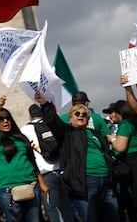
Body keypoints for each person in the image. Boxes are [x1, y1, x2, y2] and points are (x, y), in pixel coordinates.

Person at [35, 91, 119, 222]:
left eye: (84, 114)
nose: (81, 115)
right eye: (77, 113)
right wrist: (45, 104)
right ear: (70, 118)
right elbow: (53, 121)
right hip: (85, 183)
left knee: (113, 218)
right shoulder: (67, 133)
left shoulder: (95, 134)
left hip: (105, 182)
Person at [0, 95, 49, 222]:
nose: (5, 121)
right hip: (6, 190)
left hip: (31, 186)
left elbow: (32, 161)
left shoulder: (21, 137)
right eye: (1, 119)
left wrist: (42, 183)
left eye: (8, 118)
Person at [21, 104, 73, 222]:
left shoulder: (24, 130)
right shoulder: (51, 124)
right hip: (62, 170)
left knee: (53, 208)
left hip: (45, 175)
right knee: (66, 207)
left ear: (30, 116)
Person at [104, 98, 137, 220]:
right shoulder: (129, 123)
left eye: (113, 112)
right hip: (133, 163)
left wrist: (112, 138)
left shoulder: (125, 124)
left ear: (119, 112)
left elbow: (120, 147)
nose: (110, 115)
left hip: (132, 163)